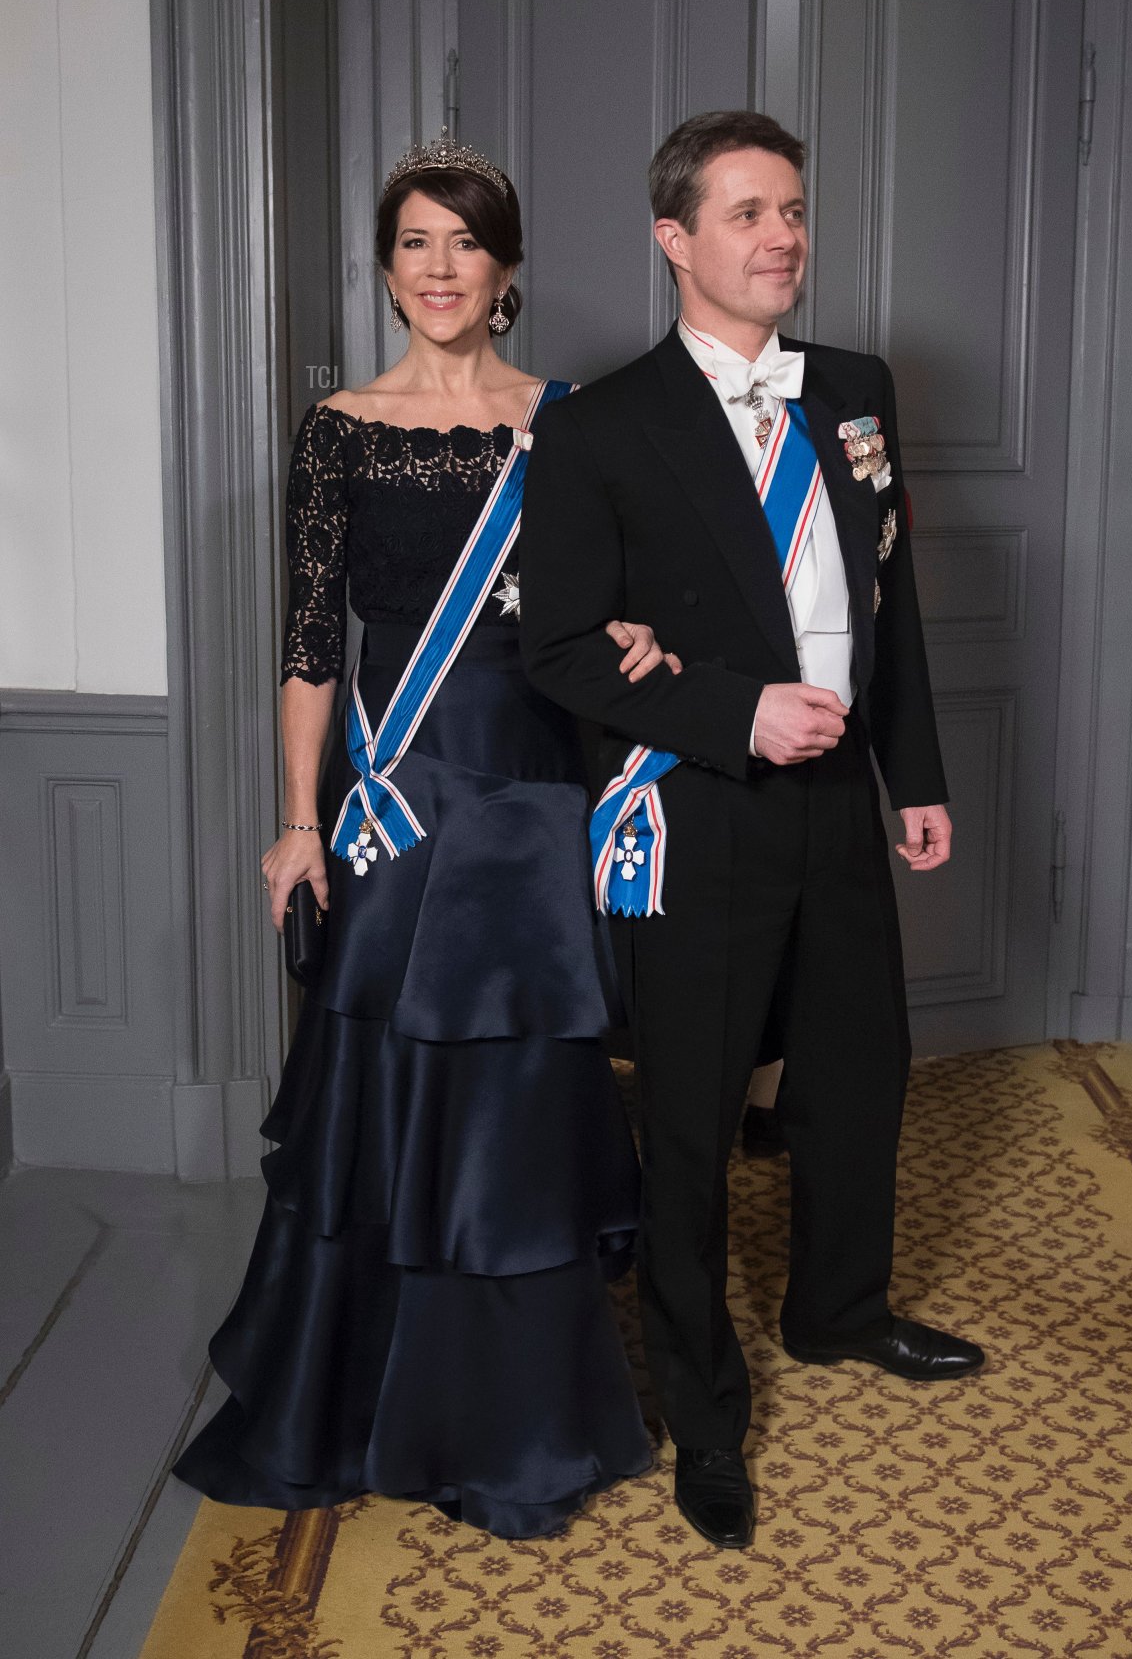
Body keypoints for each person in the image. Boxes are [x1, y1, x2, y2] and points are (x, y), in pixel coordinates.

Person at [174, 133, 666, 1538]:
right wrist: (294, 823)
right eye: (415, 243)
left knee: (513, 1103)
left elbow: (606, 620)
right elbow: (309, 645)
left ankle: (514, 1422)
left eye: (465, 242)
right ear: (385, 266)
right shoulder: (338, 425)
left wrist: (632, 628)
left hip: (525, 792)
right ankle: (360, 1399)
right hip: (392, 801)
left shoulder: (568, 419)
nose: (439, 269)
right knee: (382, 1103)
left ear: (505, 267)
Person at [518, 110, 984, 1552]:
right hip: (702, 805)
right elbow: (564, 650)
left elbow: (889, 599)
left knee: (858, 1073)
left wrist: (913, 774)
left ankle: (840, 1312)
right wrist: (732, 715)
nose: (781, 236)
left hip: (839, 800)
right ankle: (705, 1409)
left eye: (792, 211)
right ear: (675, 238)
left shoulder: (855, 386)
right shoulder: (601, 421)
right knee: (698, 1115)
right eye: (746, 215)